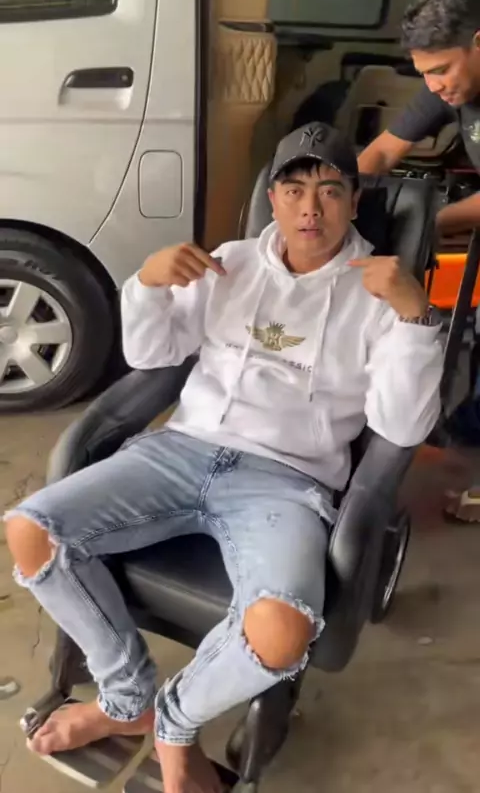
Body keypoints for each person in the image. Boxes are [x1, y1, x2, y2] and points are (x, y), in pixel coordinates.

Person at [5, 123, 442, 793]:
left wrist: (415, 320)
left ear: (356, 201)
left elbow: (400, 425)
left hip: (287, 482)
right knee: (32, 529)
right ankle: (126, 699)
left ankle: (175, 722)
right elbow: (153, 355)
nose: (311, 209)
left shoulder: (379, 293)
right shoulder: (230, 262)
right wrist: (148, 284)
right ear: (273, 199)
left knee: (282, 631)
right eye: (294, 190)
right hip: (181, 450)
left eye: (330, 191)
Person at [358, 0, 480, 522]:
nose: (434, 85)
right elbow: (383, 151)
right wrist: (337, 194)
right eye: (425, 73)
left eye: (442, 70)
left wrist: (424, 220)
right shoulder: (447, 86)